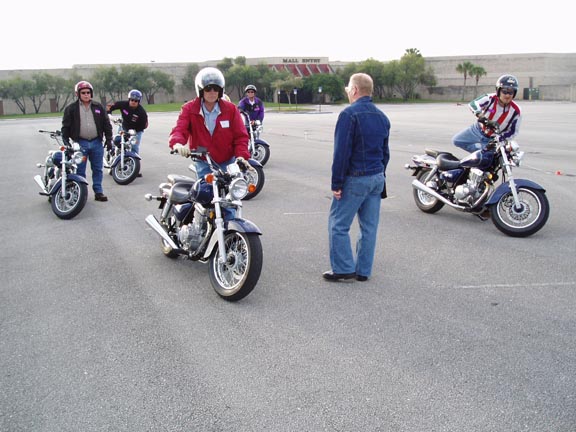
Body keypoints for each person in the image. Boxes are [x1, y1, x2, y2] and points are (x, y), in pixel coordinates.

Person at [324, 73, 391, 282]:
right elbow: (385, 153)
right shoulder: (382, 117)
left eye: (348, 89)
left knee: (338, 224)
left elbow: (342, 152)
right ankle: (363, 270)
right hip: (377, 177)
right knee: (369, 227)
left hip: (356, 177)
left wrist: (336, 183)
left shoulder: (349, 114)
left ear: (354, 90)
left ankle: (343, 268)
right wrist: (380, 175)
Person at [168, 67, 251, 217]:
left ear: (221, 90)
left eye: (216, 88)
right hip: (204, 160)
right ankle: (199, 224)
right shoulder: (189, 109)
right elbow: (180, 129)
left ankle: (229, 228)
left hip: (227, 161)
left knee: (230, 201)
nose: (212, 92)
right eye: (208, 88)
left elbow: (241, 136)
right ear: (201, 90)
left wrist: (241, 156)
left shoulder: (231, 109)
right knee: (205, 198)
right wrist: (178, 143)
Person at [61, 81, 113, 202]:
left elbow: (106, 124)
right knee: (80, 170)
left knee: (98, 169)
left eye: (88, 92)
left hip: (96, 143)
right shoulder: (71, 109)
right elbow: (65, 126)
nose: (86, 95)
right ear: (77, 94)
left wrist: (109, 139)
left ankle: (98, 192)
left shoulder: (98, 107)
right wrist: (66, 141)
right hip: (80, 144)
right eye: (83, 93)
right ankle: (81, 194)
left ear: (91, 93)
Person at [452, 74, 522, 153]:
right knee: (456, 140)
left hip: (493, 139)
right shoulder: (490, 98)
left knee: (489, 159)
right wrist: (482, 117)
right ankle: (480, 150)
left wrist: (499, 139)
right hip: (477, 129)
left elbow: (513, 131)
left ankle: (483, 153)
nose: (507, 95)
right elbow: (473, 104)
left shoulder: (516, 111)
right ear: (498, 91)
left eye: (511, 92)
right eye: (504, 91)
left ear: (514, 93)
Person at [107, 89, 148, 156]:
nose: (133, 102)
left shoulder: (141, 112)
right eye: (132, 100)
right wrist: (109, 114)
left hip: (136, 130)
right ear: (129, 99)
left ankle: (134, 159)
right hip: (124, 126)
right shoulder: (123, 104)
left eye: (136, 101)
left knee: (134, 146)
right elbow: (109, 107)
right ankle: (113, 151)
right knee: (118, 141)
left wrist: (133, 132)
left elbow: (145, 125)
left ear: (139, 102)